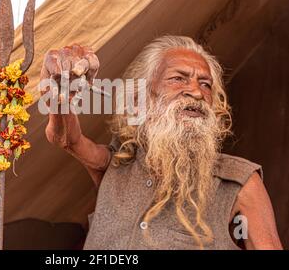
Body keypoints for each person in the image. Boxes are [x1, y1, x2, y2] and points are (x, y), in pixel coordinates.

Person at [40, 36, 283, 250]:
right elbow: (66, 139)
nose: (196, 92)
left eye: (205, 84)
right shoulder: (117, 164)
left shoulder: (238, 181)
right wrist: (60, 89)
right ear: (139, 101)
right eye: (179, 79)